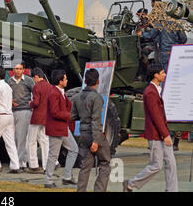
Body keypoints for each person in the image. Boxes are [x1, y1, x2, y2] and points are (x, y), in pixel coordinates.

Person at [123, 64, 178, 192]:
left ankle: (172, 189)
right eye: (162, 72)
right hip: (156, 135)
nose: (164, 75)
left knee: (171, 163)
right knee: (156, 165)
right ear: (156, 75)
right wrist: (166, 135)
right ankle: (131, 184)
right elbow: (156, 116)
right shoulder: (150, 92)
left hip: (161, 133)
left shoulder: (155, 90)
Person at [71, 68, 111, 192]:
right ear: (98, 81)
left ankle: (81, 190)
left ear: (85, 80)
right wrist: (96, 141)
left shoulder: (76, 97)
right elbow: (95, 120)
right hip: (94, 134)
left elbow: (73, 116)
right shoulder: (97, 98)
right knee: (105, 163)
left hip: (82, 134)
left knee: (85, 166)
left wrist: (83, 114)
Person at [45, 69, 78, 188]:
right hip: (56, 128)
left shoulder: (60, 91)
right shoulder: (54, 93)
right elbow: (55, 112)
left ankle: (67, 176)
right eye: (65, 78)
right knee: (53, 155)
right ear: (60, 81)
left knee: (74, 149)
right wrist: (70, 115)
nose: (67, 80)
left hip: (62, 127)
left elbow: (66, 106)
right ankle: (48, 181)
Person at [0, 65, 20, 173]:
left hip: (1, 115)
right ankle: (15, 165)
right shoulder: (8, 86)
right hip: (9, 115)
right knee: (10, 142)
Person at [7, 62, 34, 171]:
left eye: (20, 69)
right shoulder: (10, 81)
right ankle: (19, 161)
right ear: (13, 70)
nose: (18, 71)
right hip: (12, 111)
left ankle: (22, 162)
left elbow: (35, 93)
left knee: (22, 138)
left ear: (23, 70)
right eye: (16, 69)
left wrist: (31, 103)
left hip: (25, 110)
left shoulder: (28, 80)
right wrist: (10, 101)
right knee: (15, 138)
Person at [27, 67, 51, 173]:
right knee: (45, 141)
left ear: (36, 77)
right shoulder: (50, 87)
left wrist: (30, 104)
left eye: (34, 78)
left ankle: (33, 164)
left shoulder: (36, 87)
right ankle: (46, 166)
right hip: (46, 117)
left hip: (36, 117)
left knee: (31, 141)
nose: (34, 80)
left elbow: (36, 103)